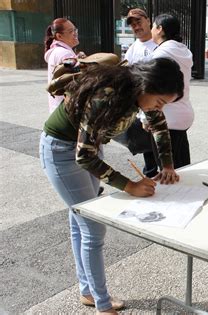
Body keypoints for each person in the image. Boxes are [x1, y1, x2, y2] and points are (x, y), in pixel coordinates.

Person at [39, 58, 184, 315]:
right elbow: (83, 156)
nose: (158, 108)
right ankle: (103, 305)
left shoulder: (139, 92)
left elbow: (159, 125)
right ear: (145, 85)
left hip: (89, 149)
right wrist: (129, 186)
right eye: (159, 101)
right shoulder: (107, 94)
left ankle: (87, 292)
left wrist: (168, 166)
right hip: (61, 150)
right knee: (93, 228)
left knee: (80, 223)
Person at [116, 8, 160, 178]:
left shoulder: (159, 44)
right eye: (132, 24)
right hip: (143, 106)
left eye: (139, 21)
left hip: (161, 103)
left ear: (148, 20)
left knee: (163, 144)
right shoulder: (132, 49)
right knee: (148, 146)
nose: (136, 26)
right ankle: (150, 176)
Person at [151, 13, 194, 168]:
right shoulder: (183, 51)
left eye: (153, 26)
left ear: (160, 29)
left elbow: (152, 90)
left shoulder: (160, 54)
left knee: (168, 170)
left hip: (166, 117)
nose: (151, 30)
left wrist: (144, 117)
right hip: (183, 113)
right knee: (182, 164)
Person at [44, 18, 85, 113]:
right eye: (71, 31)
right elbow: (76, 78)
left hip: (58, 108)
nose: (75, 33)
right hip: (66, 110)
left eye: (75, 30)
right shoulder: (64, 54)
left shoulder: (57, 51)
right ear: (59, 36)